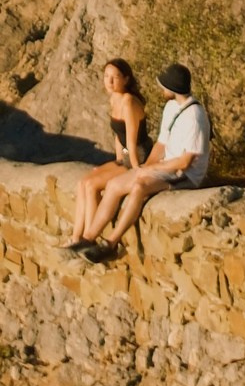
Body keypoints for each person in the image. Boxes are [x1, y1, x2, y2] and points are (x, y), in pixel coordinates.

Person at [78, 61, 213, 256]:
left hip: (185, 174)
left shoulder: (194, 117)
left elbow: (185, 162)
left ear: (172, 87)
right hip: (167, 166)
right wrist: (144, 167)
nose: (161, 89)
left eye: (164, 86)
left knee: (139, 187)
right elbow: (161, 144)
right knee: (115, 185)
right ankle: (88, 239)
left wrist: (149, 171)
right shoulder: (171, 107)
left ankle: (111, 243)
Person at [69, 57, 149, 246]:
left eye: (115, 77)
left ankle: (90, 238)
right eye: (106, 76)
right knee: (83, 182)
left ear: (126, 79)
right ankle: (75, 237)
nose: (110, 81)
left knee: (92, 186)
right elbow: (118, 135)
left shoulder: (129, 102)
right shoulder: (114, 98)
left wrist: (134, 168)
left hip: (137, 154)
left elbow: (130, 138)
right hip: (125, 154)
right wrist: (117, 160)